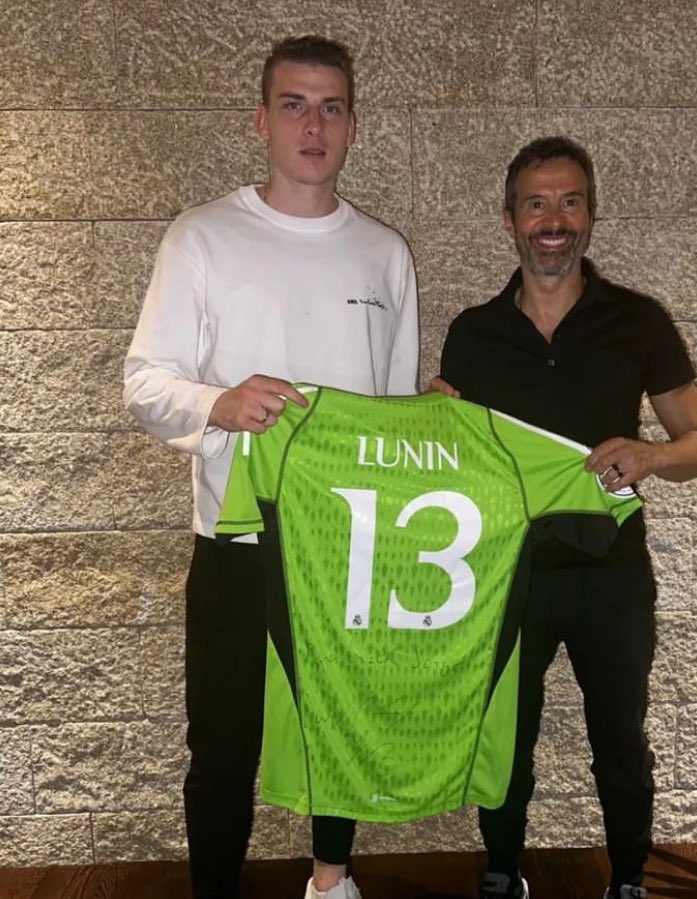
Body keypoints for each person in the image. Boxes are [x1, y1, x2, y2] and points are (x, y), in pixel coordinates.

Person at [123, 35, 418, 899]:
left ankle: (331, 880)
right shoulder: (203, 238)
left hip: (345, 548)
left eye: (330, 106)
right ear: (261, 120)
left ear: (354, 126)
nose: (312, 124)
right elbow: (143, 383)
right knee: (222, 745)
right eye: (293, 104)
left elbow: (391, 416)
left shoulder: (384, 253)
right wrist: (219, 402)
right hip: (236, 543)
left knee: (336, 728)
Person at [430, 136, 697, 899]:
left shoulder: (638, 321)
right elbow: (449, 456)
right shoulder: (472, 332)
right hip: (504, 572)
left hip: (610, 572)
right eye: (536, 203)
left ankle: (627, 879)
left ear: (589, 215)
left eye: (569, 201)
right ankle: (499, 871)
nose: (552, 220)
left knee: (618, 737)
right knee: (504, 737)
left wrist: (650, 455)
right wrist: (433, 423)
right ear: (509, 220)